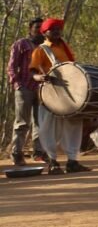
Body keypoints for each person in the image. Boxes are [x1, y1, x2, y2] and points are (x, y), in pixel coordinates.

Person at [29, 18, 91, 174]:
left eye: (58, 29)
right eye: (53, 29)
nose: (57, 32)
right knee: (48, 128)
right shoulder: (41, 50)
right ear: (45, 32)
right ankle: (52, 162)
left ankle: (72, 161)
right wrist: (40, 78)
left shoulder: (64, 47)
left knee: (73, 125)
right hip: (50, 94)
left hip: (69, 94)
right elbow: (33, 72)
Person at [7, 16, 45, 166]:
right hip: (25, 88)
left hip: (42, 89)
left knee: (40, 122)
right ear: (30, 29)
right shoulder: (21, 44)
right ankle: (16, 153)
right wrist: (17, 84)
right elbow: (11, 66)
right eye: (37, 28)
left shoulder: (45, 46)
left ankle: (39, 153)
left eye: (42, 29)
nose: (39, 31)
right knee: (22, 122)